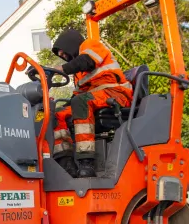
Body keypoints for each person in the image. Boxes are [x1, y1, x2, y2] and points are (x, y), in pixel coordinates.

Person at [49, 28, 133, 177]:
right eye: (60, 55)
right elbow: (79, 92)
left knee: (80, 102)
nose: (62, 56)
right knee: (57, 114)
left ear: (70, 43)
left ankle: (86, 162)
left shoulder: (90, 45)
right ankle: (67, 164)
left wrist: (59, 69)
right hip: (93, 98)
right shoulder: (78, 73)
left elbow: (86, 61)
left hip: (115, 94)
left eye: (62, 52)